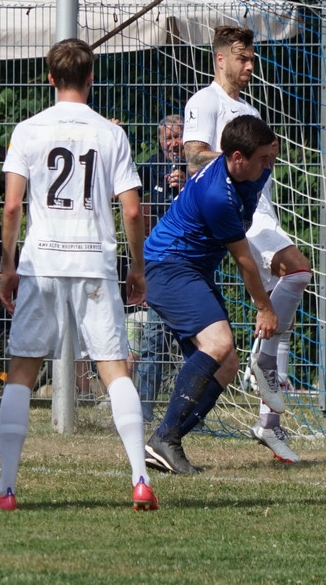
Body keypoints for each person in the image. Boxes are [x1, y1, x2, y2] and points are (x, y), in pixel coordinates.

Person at [0, 38, 157, 512]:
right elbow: (132, 209)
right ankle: (140, 480)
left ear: (50, 78)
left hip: (42, 260)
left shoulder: (27, 130)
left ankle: (6, 488)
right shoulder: (110, 134)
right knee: (114, 369)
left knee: (22, 369)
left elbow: (13, 207)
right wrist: (137, 266)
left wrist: (7, 265)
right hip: (93, 261)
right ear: (90, 78)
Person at [181, 25, 311, 463]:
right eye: (242, 58)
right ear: (220, 59)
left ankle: (270, 424)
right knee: (297, 271)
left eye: (252, 58)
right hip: (240, 217)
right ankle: (263, 362)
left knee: (282, 312)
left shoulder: (250, 110)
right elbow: (194, 156)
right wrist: (241, 158)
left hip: (263, 213)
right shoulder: (205, 102)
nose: (250, 65)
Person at [143, 114, 280, 474]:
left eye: (269, 156)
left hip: (190, 269)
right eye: (262, 158)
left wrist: (269, 148)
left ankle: (166, 440)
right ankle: (164, 438)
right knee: (218, 344)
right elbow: (244, 260)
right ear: (237, 158)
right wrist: (264, 308)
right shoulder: (217, 195)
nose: (268, 164)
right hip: (168, 266)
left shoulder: (253, 166)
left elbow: (269, 150)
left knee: (227, 363)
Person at [132, 113, 186, 422]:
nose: (174, 143)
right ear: (160, 142)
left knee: (194, 342)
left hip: (192, 262)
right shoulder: (150, 167)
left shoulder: (199, 167)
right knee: (154, 339)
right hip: (159, 263)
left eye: (178, 136)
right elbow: (124, 198)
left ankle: (191, 411)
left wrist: (186, 184)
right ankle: (143, 410)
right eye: (168, 138)